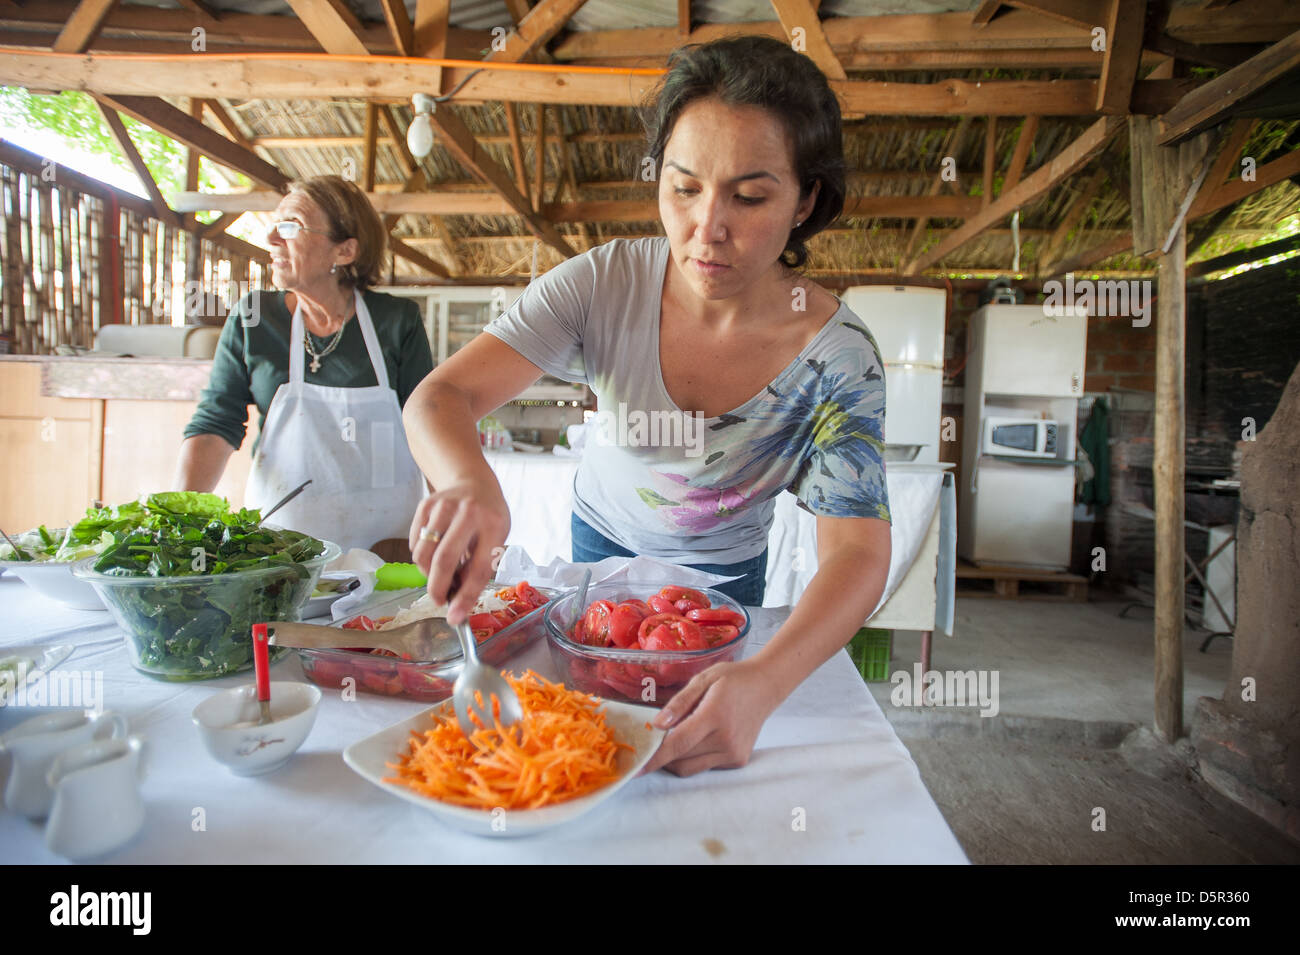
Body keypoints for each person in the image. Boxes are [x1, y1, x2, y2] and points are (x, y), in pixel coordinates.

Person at [402, 36, 892, 776]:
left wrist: (764, 679)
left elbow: (855, 550)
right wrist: (470, 480)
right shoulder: (603, 284)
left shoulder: (837, 358)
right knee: (585, 743)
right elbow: (441, 396)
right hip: (599, 553)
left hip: (726, 583)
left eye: (750, 196)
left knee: (687, 761)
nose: (707, 228)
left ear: (807, 201)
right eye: (683, 186)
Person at [175, 175, 433, 553]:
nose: (271, 239)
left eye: (290, 226)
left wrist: (456, 523)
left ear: (344, 251)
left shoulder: (396, 321)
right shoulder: (255, 319)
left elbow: (429, 426)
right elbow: (217, 423)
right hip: (280, 548)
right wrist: (178, 521)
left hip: (385, 546)